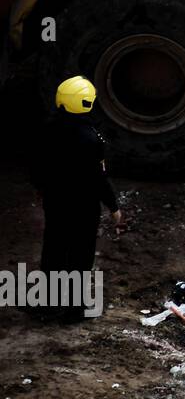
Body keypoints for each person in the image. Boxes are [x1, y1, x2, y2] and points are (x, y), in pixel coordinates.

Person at [32, 76, 122, 320]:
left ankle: (47, 306)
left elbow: (38, 166)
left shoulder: (47, 130)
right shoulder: (93, 139)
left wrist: (41, 188)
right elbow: (99, 178)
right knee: (80, 256)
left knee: (54, 251)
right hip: (85, 207)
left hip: (56, 203)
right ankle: (74, 310)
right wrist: (113, 206)